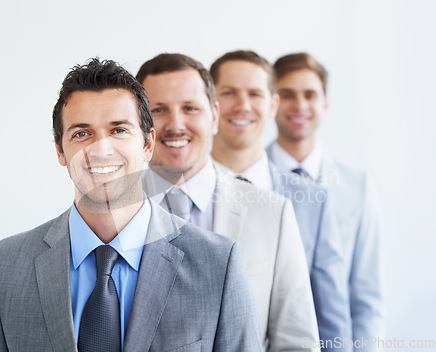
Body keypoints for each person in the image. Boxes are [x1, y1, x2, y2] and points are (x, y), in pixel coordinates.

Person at [0, 58, 262, 352]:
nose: (101, 150)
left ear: (148, 144)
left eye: (118, 130)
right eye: (81, 134)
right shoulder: (5, 266)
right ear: (60, 150)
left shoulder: (218, 264)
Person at [136, 53, 320, 352]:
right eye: (158, 109)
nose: (176, 124)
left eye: (190, 108)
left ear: (215, 116)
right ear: (140, 124)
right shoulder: (112, 210)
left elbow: (297, 341)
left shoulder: (273, 214)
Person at [210, 50, 351, 350]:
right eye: (229, 92)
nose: (243, 105)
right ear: (211, 103)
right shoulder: (180, 193)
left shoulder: (311, 200)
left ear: (272, 104)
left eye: (255, 93)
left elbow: (330, 314)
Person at [268, 52, 383, 349]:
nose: (300, 105)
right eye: (287, 94)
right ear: (271, 103)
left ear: (325, 104)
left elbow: (366, 296)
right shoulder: (248, 181)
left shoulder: (358, 186)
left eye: (310, 95)